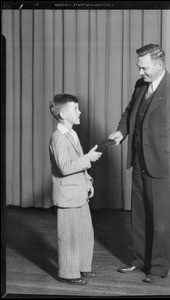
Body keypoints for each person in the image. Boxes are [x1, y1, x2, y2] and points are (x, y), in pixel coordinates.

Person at [109, 44, 170, 283]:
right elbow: (129, 113)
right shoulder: (140, 86)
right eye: (139, 68)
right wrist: (120, 133)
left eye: (144, 68)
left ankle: (158, 268)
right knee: (139, 216)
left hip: (164, 167)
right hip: (139, 162)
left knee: (161, 220)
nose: (140, 73)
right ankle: (139, 261)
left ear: (159, 65)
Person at [49, 94, 102, 285]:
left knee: (85, 232)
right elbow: (65, 167)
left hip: (79, 193)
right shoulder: (58, 138)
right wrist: (88, 158)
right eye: (76, 109)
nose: (80, 112)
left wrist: (88, 182)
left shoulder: (72, 133)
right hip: (67, 195)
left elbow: (78, 165)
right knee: (69, 235)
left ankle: (82, 267)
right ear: (63, 113)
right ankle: (68, 273)